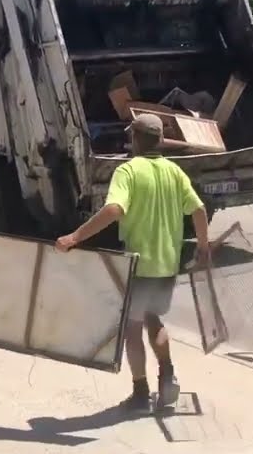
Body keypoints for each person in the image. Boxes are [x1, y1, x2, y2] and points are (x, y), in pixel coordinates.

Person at [55, 113, 210, 413]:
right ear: (161, 140)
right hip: (167, 264)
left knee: (132, 327)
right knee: (154, 319)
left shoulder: (127, 171)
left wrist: (74, 237)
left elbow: (114, 209)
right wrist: (203, 247)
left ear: (136, 139)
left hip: (139, 265)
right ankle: (168, 376)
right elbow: (199, 210)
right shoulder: (174, 172)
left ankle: (140, 393)